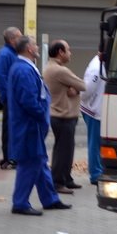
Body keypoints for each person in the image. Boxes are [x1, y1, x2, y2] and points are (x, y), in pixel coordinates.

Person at [7, 35, 70, 215]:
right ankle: (20, 203)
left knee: (39, 162)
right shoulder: (23, 70)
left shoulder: (24, 67)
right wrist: (42, 117)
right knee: (30, 163)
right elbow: (28, 101)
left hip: (30, 125)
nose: (37, 47)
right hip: (29, 126)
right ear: (28, 49)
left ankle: (50, 199)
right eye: (34, 45)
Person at [42, 39, 86, 193]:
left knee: (65, 149)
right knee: (63, 151)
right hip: (63, 116)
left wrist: (73, 88)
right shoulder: (60, 71)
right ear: (60, 52)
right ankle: (58, 182)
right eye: (68, 50)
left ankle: (66, 178)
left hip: (59, 115)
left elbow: (76, 86)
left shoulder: (51, 67)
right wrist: (75, 88)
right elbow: (83, 84)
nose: (70, 53)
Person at [0, 26, 22, 169]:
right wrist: (10, 96)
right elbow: (0, 77)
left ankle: (12, 157)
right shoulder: (5, 54)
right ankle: (9, 158)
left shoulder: (12, 53)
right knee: (9, 128)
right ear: (12, 40)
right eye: (19, 36)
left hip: (14, 98)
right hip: (11, 99)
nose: (22, 39)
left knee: (14, 127)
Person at [80, 50, 105, 185]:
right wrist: (90, 104)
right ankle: (95, 173)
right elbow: (87, 90)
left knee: (98, 142)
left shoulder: (102, 64)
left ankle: (99, 169)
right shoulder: (97, 66)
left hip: (97, 109)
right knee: (94, 143)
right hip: (93, 110)